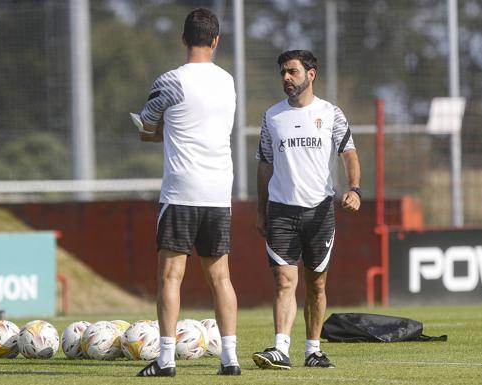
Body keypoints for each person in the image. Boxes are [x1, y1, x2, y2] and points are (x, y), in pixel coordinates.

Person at [135, 8, 240, 377]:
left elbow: (147, 127)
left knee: (170, 277)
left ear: (184, 39)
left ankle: (166, 359)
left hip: (181, 191)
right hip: (218, 192)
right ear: (215, 40)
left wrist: (162, 129)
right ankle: (230, 358)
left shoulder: (170, 80)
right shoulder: (228, 81)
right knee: (221, 278)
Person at [252, 50, 361, 370]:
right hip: (281, 211)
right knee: (284, 281)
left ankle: (313, 351)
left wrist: (354, 189)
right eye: (283, 73)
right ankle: (280, 349)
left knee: (316, 283)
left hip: (320, 211)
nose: (286, 78)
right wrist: (260, 211)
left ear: (310, 74)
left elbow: (349, 153)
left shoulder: (331, 113)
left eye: (292, 72)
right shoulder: (271, 116)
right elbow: (264, 165)